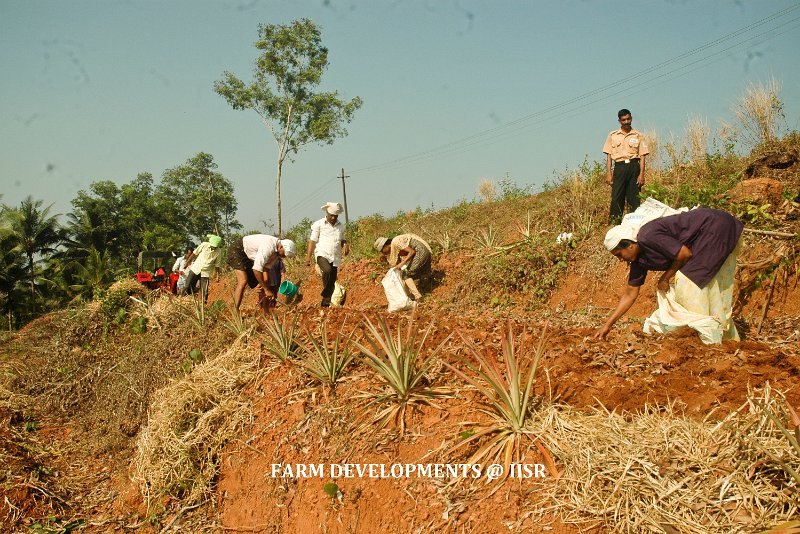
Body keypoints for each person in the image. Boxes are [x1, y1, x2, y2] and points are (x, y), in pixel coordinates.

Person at [594, 208, 744, 342]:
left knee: (688, 282)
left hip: (715, 226)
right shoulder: (638, 261)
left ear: (629, 244)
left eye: (619, 254)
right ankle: (715, 333)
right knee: (699, 284)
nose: (620, 259)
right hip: (708, 234)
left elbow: (684, 254)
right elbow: (630, 294)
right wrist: (608, 325)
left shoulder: (648, 235)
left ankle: (707, 333)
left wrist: (665, 278)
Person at [603, 109, 649, 224]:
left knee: (634, 198)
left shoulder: (638, 135)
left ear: (631, 119)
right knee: (616, 198)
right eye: (624, 120)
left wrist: (642, 174)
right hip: (619, 167)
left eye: (628, 119)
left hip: (634, 167)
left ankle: (634, 225)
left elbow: (643, 156)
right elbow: (609, 155)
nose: (626, 122)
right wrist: (608, 173)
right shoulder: (613, 135)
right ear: (619, 121)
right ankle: (615, 224)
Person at [228, 234, 296, 311]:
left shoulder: (276, 254)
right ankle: (235, 311)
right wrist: (266, 289)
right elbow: (256, 270)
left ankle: (266, 311)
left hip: (249, 255)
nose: (283, 257)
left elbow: (265, 269)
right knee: (243, 280)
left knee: (266, 282)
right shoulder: (268, 247)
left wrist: (264, 285)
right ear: (280, 247)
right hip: (238, 250)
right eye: (284, 254)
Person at [306, 202, 349, 307]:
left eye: (335, 216)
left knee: (332, 279)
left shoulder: (341, 227)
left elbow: (342, 239)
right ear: (327, 213)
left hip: (335, 256)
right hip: (322, 254)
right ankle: (326, 295)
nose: (333, 218)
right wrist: (308, 256)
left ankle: (325, 302)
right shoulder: (319, 224)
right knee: (327, 270)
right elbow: (312, 241)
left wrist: (345, 245)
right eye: (332, 215)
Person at [374, 234, 433, 301]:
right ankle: (412, 296)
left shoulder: (396, 242)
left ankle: (417, 297)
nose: (383, 253)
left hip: (421, 252)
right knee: (407, 274)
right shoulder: (394, 248)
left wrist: (402, 263)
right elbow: (398, 262)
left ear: (385, 246)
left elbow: (412, 252)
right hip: (423, 252)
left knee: (406, 274)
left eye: (382, 250)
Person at [184, 234, 224, 304]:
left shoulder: (218, 251)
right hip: (196, 268)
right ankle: (183, 300)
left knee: (204, 290)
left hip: (206, 272)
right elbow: (194, 253)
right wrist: (187, 262)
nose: (213, 248)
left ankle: (203, 305)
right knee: (188, 286)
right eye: (213, 246)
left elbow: (217, 265)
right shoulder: (204, 245)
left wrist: (218, 276)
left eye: (215, 247)